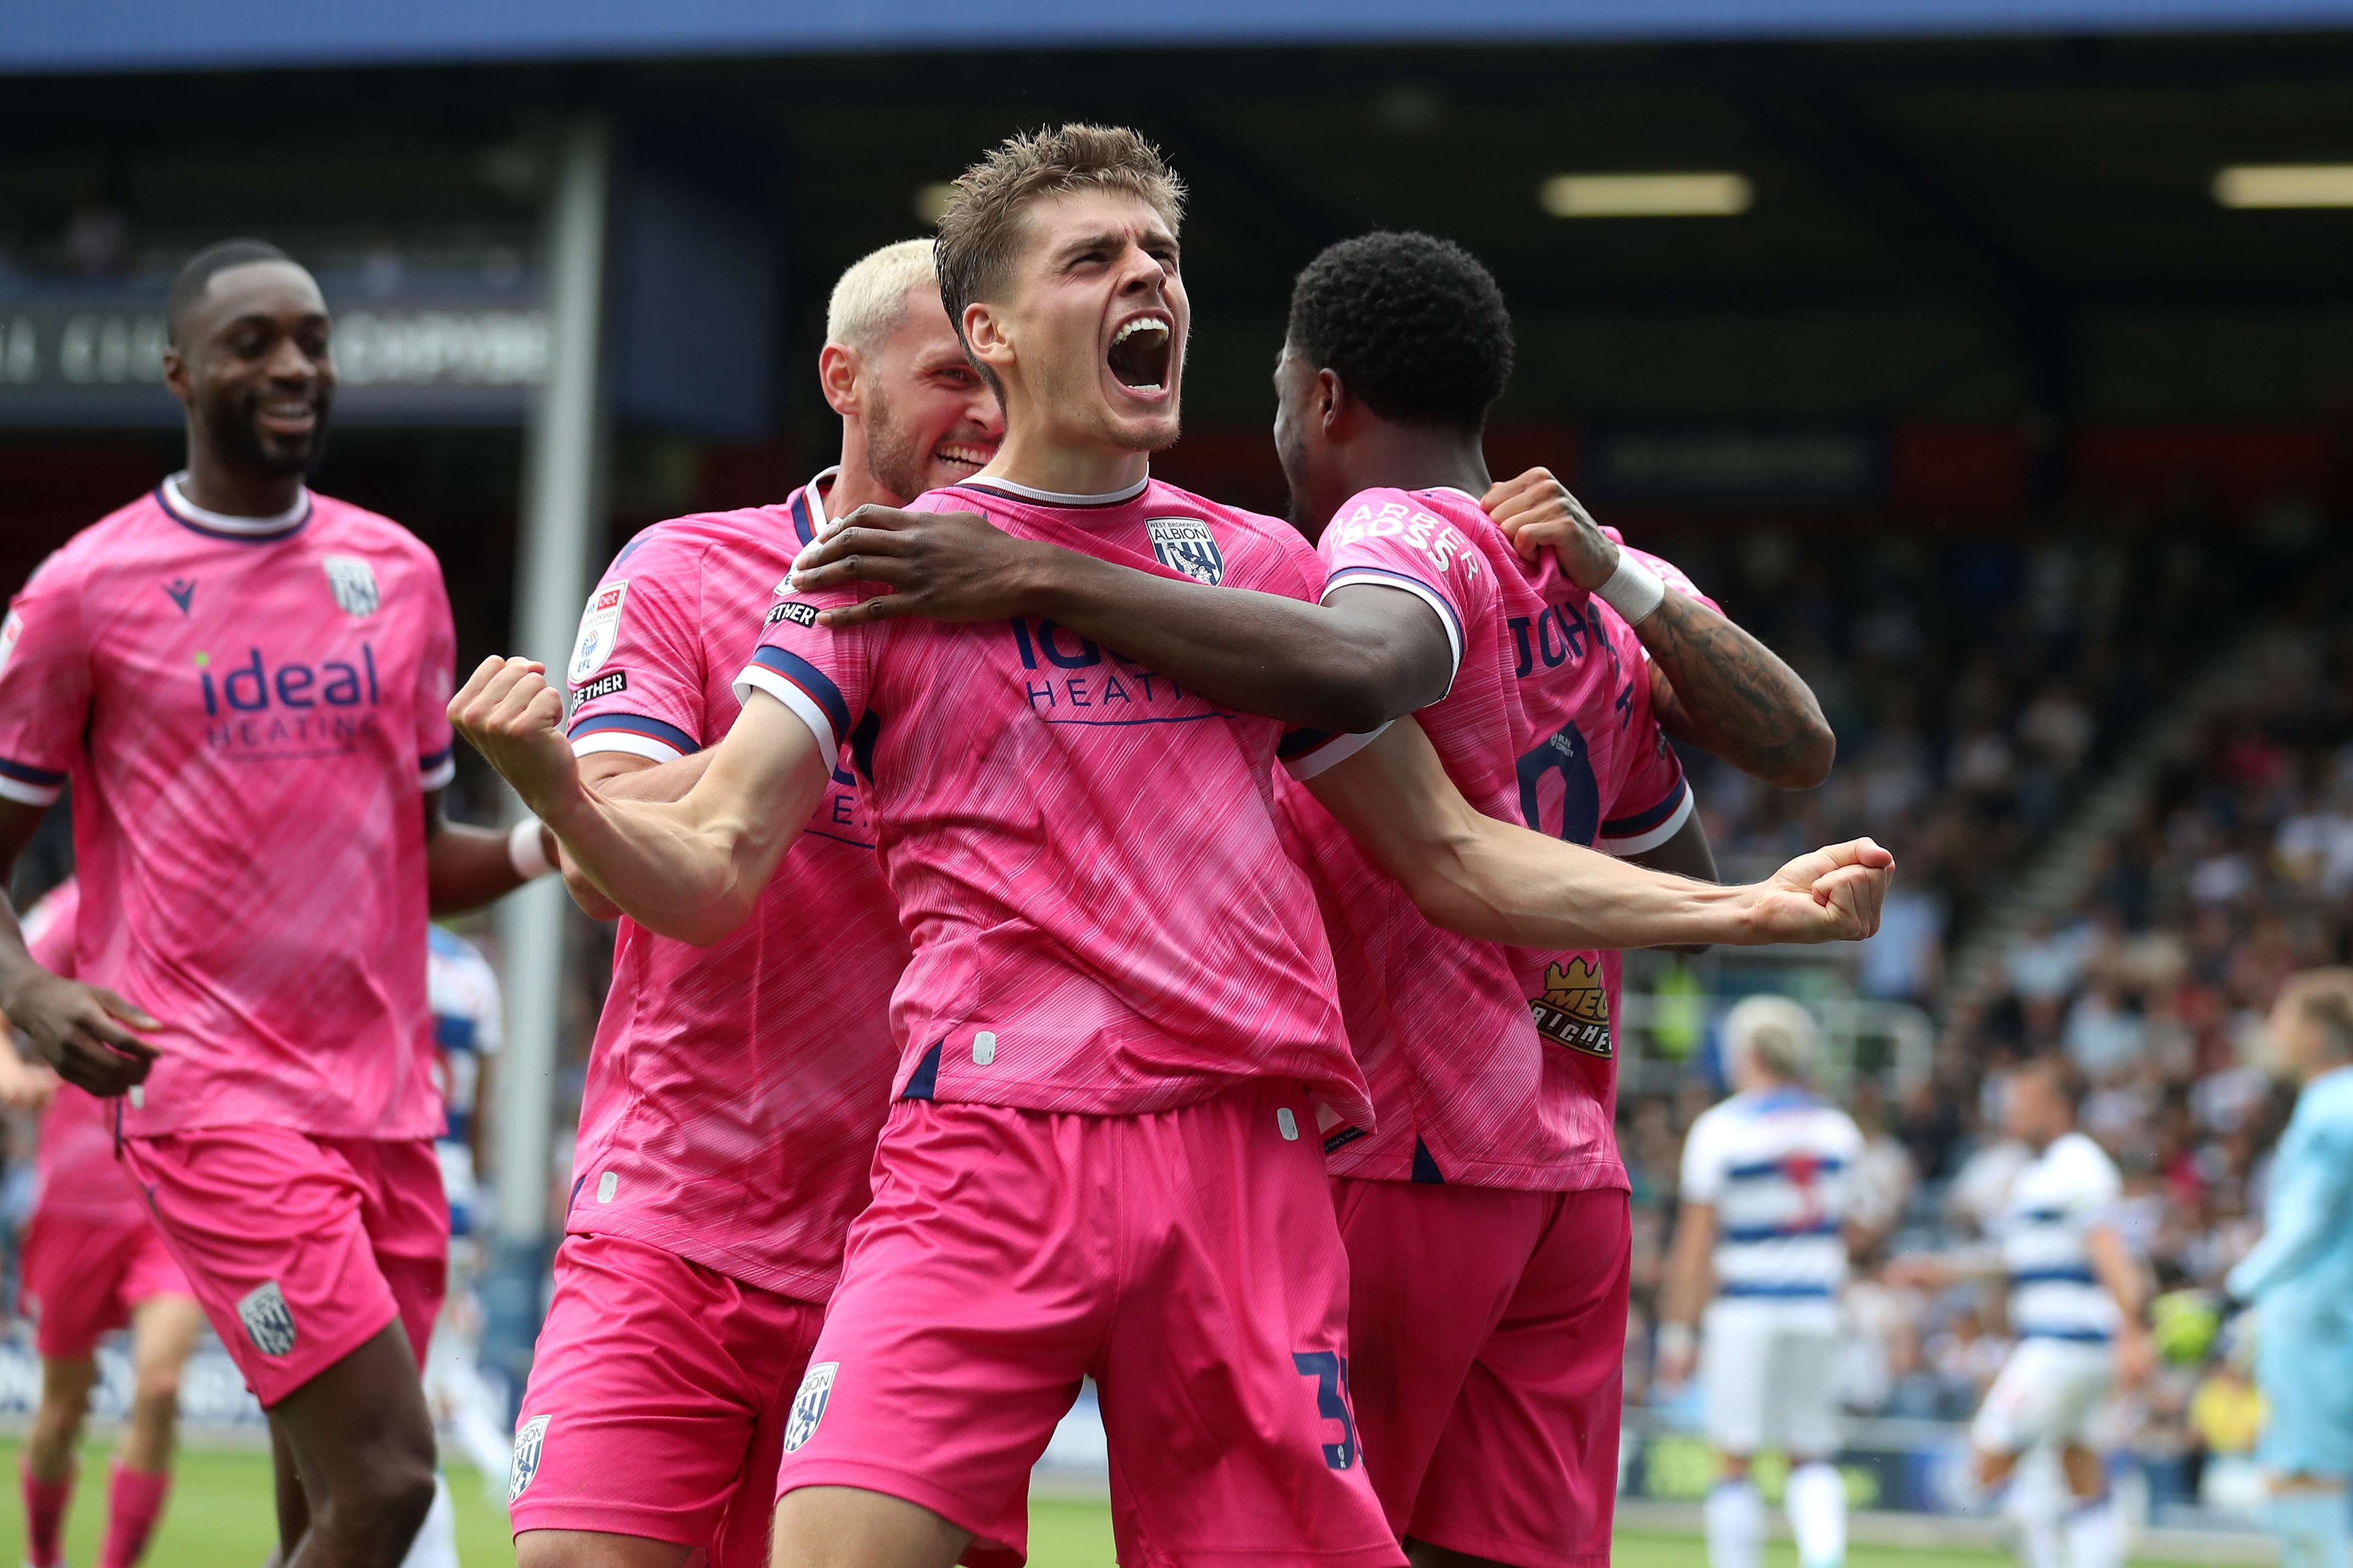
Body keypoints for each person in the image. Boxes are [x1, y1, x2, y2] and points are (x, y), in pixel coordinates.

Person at [451, 124, 1890, 1568]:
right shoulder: (878, 575)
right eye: (1096, 257)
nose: (1147, 276)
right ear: (992, 332)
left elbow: (1453, 853)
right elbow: (709, 864)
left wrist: (1753, 911)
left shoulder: (1259, 570)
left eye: (1162, 256)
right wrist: (565, 799)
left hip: (1238, 1162)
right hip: (982, 1148)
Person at [789, 228, 1838, 1568]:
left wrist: (1043, 573)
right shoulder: (1589, 590)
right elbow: (1712, 832)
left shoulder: (1385, 534)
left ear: (1323, 398)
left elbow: (1360, 672)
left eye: (1280, 396)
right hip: (1566, 1173)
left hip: (1395, 1151)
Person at [0, 238, 558, 1568]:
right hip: (211, 1100)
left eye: (311, 338)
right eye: (255, 342)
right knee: (388, 1479)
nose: (295, 364)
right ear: (181, 370)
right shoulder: (85, 590)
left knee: (322, 1506)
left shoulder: (401, 578)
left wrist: (555, 846)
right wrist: (28, 992)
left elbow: (416, 855)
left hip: (389, 1103)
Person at [504, 237, 995, 1568]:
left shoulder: (1052, 611)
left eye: (1003, 374)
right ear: (843, 375)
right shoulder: (685, 571)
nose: (989, 414)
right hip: (675, 1214)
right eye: (952, 373)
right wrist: (785, 725)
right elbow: (599, 844)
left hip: (938, 1248)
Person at [4, 880, 205, 1568]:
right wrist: (8, 1068)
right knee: (60, 1415)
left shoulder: (216, 893)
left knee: (161, 1385)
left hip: (174, 1197)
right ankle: (42, 1555)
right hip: (73, 1206)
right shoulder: (73, 908)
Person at [1888, 1057, 2149, 1568]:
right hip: (2078, 1349)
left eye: (2022, 1105)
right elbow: (2017, 1263)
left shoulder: (2077, 1163)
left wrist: (2134, 1332)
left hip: (2062, 1347)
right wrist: (1944, 1272)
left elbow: (2111, 1253)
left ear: (2057, 1108)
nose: (2010, 1115)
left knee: (1982, 1471)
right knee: (2078, 1470)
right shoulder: (2043, 1173)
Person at [1658, 996, 1865, 1568]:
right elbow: (1854, 1228)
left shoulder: (1721, 1129)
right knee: (1812, 1454)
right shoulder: (1836, 1128)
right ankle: (1824, 1560)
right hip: (1818, 1308)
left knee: (1732, 1457)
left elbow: (1694, 1246)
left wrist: (1677, 1334)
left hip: (1745, 1310)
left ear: (1745, 1052)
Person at [2226, 969, 2353, 1568]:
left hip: (2316, 1318)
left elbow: (2303, 1225)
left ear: (2312, 1035)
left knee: (2306, 1477)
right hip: (2326, 1314)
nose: (2272, 1033)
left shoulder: (2331, 1110)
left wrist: (2233, 1291)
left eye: (2282, 1020)